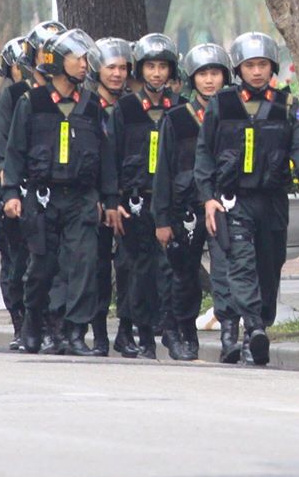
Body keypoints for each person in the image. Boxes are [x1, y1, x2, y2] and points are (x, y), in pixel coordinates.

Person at [196, 33, 299, 366]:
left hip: (273, 200)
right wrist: (208, 197)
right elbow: (204, 153)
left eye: (262, 64)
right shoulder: (222, 104)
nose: (257, 71)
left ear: (272, 66)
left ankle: (256, 332)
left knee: (269, 266)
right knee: (241, 265)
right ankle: (252, 327)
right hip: (234, 201)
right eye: (250, 65)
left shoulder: (287, 104)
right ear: (239, 68)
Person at [6, 28, 116, 356]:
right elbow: (15, 151)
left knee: (83, 264)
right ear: (56, 62)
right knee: (41, 267)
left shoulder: (92, 105)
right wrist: (11, 192)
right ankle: (33, 325)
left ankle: (75, 332)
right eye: (76, 58)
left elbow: (106, 156)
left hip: (81, 198)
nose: (84, 65)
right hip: (42, 197)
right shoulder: (32, 103)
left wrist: (110, 200)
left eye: (86, 58)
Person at [161, 42, 231, 361]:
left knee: (226, 268)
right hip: (185, 207)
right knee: (184, 272)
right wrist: (162, 217)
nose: (209, 80)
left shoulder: (234, 114)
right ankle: (182, 332)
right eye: (203, 74)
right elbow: (163, 169)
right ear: (192, 78)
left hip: (222, 203)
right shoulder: (176, 118)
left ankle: (232, 332)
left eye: (215, 73)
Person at [110, 34, 178, 359]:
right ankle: (130, 330)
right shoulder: (125, 108)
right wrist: (115, 200)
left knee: (165, 268)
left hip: (166, 202)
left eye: (162, 66)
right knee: (132, 267)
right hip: (132, 200)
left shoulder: (178, 109)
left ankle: (164, 329)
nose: (156, 73)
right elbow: (111, 155)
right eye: (150, 66)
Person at [0, 34, 41, 349]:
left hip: (45, 193)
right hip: (13, 193)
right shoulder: (4, 102)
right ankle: (20, 322)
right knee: (16, 263)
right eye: (19, 66)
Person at [85, 38, 135, 355]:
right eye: (110, 68)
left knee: (130, 267)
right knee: (97, 266)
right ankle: (99, 331)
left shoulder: (132, 107)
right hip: (96, 199)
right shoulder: (87, 106)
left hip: (130, 197)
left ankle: (127, 330)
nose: (117, 74)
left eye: (122, 68)